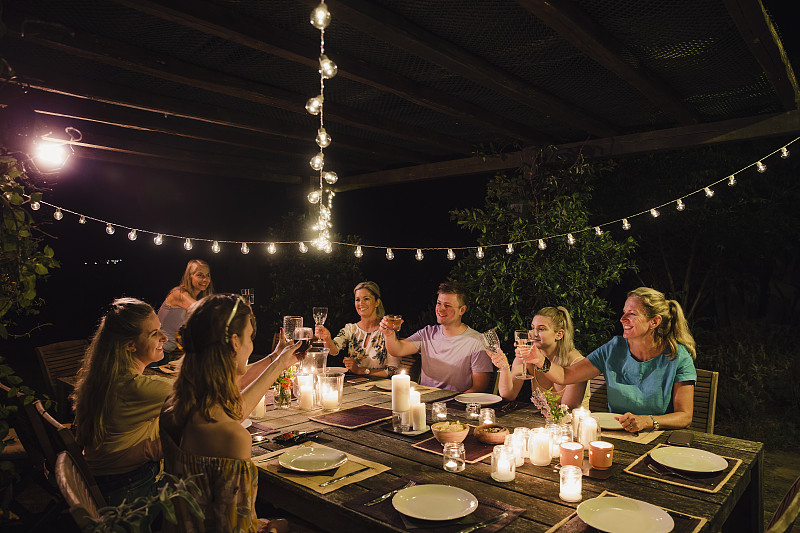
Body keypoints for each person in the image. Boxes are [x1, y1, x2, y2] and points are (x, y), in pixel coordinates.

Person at [159, 293, 301, 533]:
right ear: (235, 342)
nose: (250, 345)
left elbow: (229, 409)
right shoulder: (232, 437)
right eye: (250, 337)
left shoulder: (174, 406)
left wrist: (276, 360)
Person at [522, 287, 697, 432]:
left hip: (659, 438)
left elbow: (685, 416)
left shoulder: (678, 357)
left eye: (632, 314)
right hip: (617, 433)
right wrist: (538, 360)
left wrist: (649, 421)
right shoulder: (614, 348)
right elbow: (566, 376)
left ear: (654, 321)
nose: (622, 319)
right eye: (623, 313)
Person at [72, 298, 172, 506]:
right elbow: (218, 397)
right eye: (154, 334)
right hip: (128, 493)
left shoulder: (106, 375)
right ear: (130, 345)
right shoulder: (135, 388)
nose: (164, 337)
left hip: (105, 484)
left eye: (160, 329)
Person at [381, 281, 493, 392]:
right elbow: (397, 350)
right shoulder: (427, 333)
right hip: (425, 401)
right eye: (439, 303)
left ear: (462, 310)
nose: (441, 309)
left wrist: (454, 402)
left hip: (456, 405)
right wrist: (389, 334)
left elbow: (479, 387)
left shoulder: (477, 341)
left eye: (447, 305)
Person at [488, 306, 589, 409]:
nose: (533, 334)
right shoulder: (529, 356)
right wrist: (504, 367)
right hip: (542, 422)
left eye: (541, 329)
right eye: (532, 328)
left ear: (559, 334)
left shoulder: (577, 363)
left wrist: (540, 360)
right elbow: (509, 395)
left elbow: (568, 408)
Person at [315, 281, 401, 378]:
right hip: (355, 386)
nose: (361, 303)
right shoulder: (350, 329)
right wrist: (327, 338)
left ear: (377, 302)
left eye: (366, 299)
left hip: (381, 388)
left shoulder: (387, 330)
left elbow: (393, 371)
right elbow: (333, 350)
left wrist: (361, 370)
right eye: (357, 300)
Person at [157, 259, 214, 360]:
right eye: (200, 275)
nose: (205, 279)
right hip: (153, 349)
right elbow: (202, 311)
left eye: (207, 275)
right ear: (189, 276)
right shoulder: (179, 294)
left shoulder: (197, 299)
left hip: (167, 352)